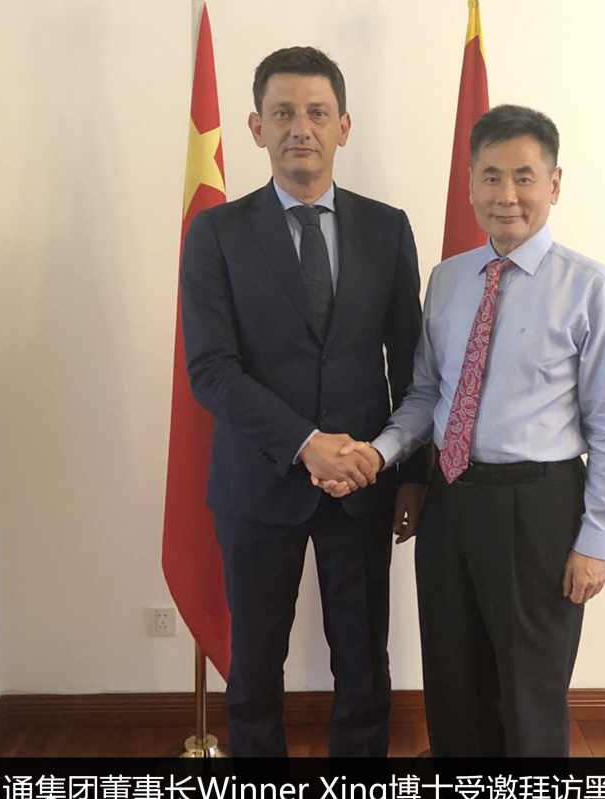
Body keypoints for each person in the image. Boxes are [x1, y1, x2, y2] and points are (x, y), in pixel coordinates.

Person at [319, 105, 605, 757]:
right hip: (450, 502)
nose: (506, 194)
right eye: (491, 176)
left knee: (528, 694)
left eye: (524, 177)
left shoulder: (590, 289)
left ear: (554, 184)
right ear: (469, 185)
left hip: (538, 509)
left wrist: (596, 540)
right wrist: (377, 454)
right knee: (453, 682)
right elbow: (427, 394)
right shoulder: (449, 280)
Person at [180, 47, 430, 758]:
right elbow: (212, 371)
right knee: (255, 665)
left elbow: (411, 362)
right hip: (258, 484)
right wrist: (305, 444)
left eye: (318, 112)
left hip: (364, 484)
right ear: (256, 127)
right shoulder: (216, 233)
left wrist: (412, 476)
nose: (301, 127)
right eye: (283, 112)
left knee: (363, 661)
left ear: (343, 127)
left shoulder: (388, 228)